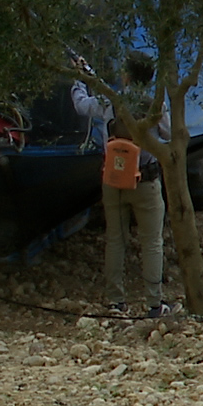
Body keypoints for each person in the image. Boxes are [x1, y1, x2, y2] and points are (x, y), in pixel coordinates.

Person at [78, 56, 172, 319]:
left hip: (114, 181)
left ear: (127, 76)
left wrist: (79, 80)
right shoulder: (155, 105)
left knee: (115, 239)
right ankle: (154, 303)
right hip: (145, 182)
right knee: (151, 242)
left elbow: (81, 105)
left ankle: (116, 301)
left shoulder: (111, 101)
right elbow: (168, 134)